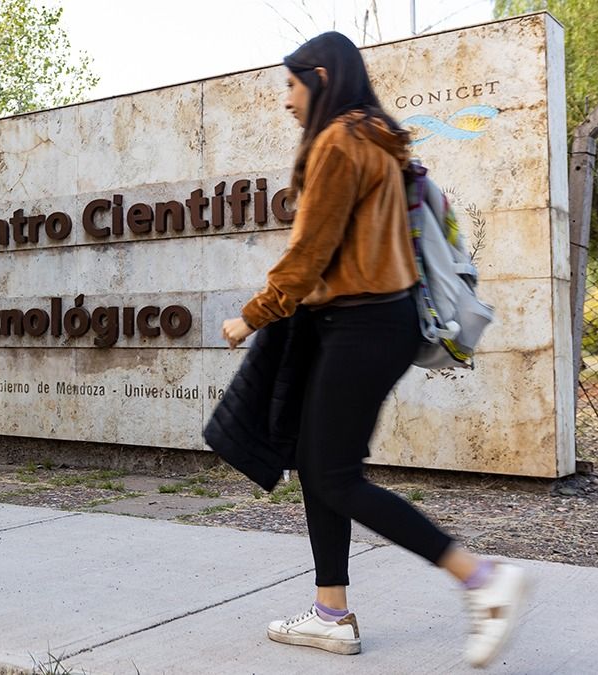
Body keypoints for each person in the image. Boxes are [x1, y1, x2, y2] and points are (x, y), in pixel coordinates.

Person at [216, 31, 528, 667]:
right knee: (316, 458)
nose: (285, 101)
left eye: (291, 84)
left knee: (335, 475)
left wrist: (250, 318)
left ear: (323, 78)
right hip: (374, 325)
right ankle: (332, 610)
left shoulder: (338, 142)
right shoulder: (379, 139)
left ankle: (482, 581)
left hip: (361, 324)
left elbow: (310, 253)